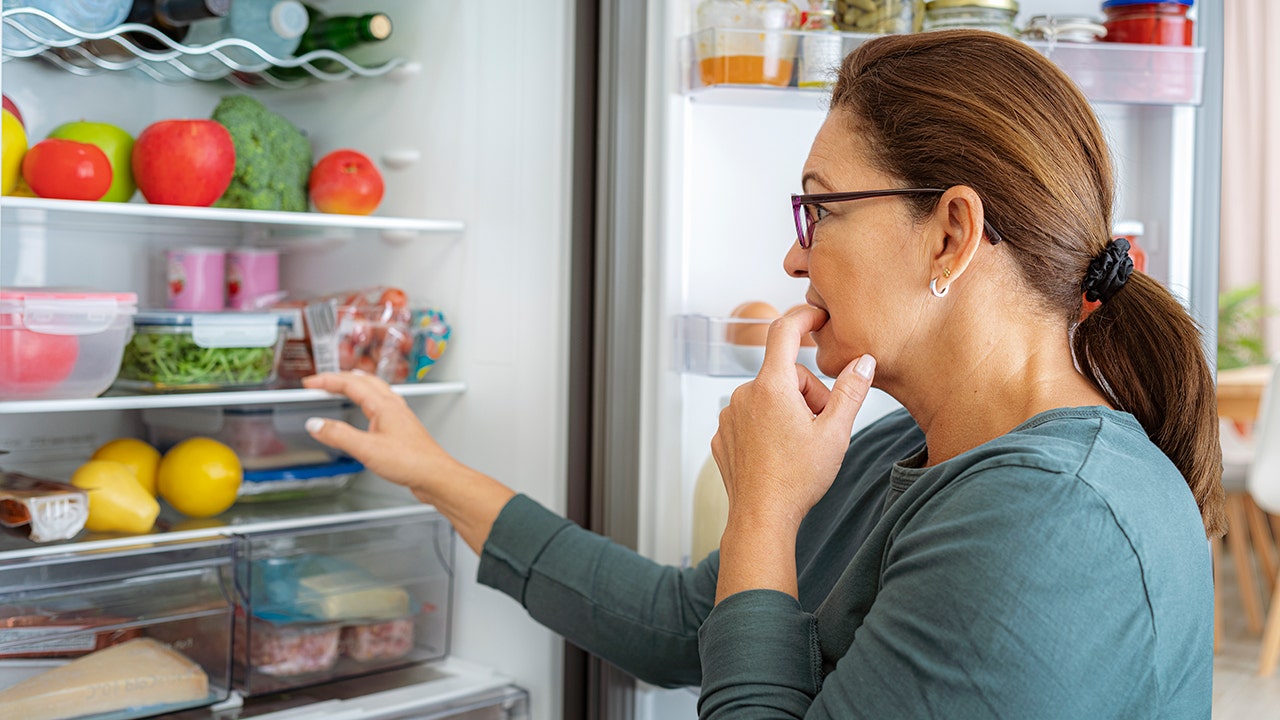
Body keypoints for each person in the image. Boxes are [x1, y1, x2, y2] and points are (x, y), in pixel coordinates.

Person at [303, 28, 1224, 719]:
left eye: (821, 212)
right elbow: (681, 622)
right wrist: (430, 469)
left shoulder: (1052, 525)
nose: (794, 258)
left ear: (950, 233)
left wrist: (764, 509)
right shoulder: (913, 445)